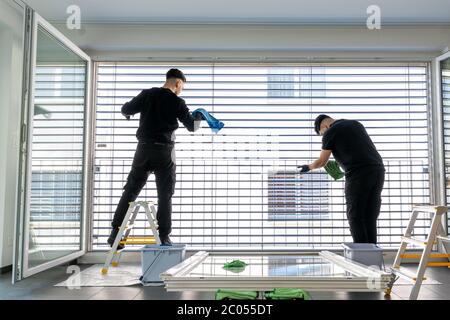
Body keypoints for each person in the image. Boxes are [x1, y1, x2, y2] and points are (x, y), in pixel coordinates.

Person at [108, 69, 202, 247]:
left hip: (142, 151)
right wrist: (198, 115)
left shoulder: (147, 95)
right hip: (164, 152)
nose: (181, 90)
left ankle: (115, 234)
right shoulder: (178, 102)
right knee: (165, 195)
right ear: (178, 83)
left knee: (130, 191)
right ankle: (164, 236)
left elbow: (125, 109)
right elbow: (192, 127)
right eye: (182, 87)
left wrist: (129, 114)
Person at [298, 114, 385, 244]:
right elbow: (356, 149)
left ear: (323, 126)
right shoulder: (356, 124)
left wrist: (308, 167)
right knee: (369, 216)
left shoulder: (330, 132)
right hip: (378, 171)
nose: (323, 136)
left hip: (358, 175)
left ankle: (363, 257)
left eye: (321, 133)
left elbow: (322, 161)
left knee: (355, 215)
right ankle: (372, 254)